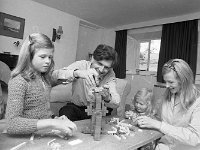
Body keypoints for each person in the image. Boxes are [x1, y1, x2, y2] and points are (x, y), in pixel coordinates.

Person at [5, 33, 77, 136]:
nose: (48, 61)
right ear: (29, 57)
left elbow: (43, 112)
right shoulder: (19, 81)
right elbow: (12, 124)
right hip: (26, 138)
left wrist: (55, 119)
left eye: (50, 57)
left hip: (41, 135)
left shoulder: (45, 79)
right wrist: (52, 123)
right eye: (43, 57)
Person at [136, 59, 200, 150]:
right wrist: (145, 118)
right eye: (165, 81)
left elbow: (195, 138)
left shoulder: (197, 102)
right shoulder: (168, 94)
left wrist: (159, 125)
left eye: (171, 82)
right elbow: (158, 117)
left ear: (183, 80)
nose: (166, 86)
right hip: (164, 146)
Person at [57, 44, 120, 121]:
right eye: (99, 64)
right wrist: (77, 73)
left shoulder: (110, 74)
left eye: (106, 67)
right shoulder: (81, 65)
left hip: (98, 109)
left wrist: (108, 97)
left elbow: (116, 102)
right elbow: (56, 75)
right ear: (92, 58)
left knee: (106, 114)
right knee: (65, 111)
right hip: (78, 108)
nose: (101, 70)